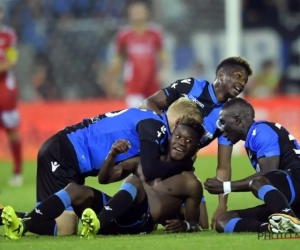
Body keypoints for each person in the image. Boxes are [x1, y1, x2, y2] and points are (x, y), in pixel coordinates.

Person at [1, 97, 202, 237]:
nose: (184, 142)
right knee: (63, 226)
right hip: (65, 153)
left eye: (190, 140)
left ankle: (17, 221)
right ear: (176, 125)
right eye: (182, 135)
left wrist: (185, 224)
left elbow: (197, 221)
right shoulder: (156, 128)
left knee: (59, 219)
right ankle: (15, 220)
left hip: (67, 153)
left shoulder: (150, 123)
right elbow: (143, 172)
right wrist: (185, 163)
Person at [140, 56, 253, 227]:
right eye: (238, 76)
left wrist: (222, 205)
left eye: (244, 80)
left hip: (182, 169)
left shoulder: (228, 116)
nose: (242, 83)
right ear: (221, 75)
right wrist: (164, 135)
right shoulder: (192, 86)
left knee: (201, 225)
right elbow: (148, 103)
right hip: (156, 159)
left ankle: (166, 210)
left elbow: (223, 166)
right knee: (148, 216)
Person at [204, 98, 300, 234]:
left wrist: (225, 186)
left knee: (259, 181)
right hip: (289, 198)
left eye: (223, 122)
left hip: (296, 180)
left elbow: (269, 172)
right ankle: (273, 228)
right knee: (224, 220)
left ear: (237, 120)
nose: (222, 129)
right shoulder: (252, 138)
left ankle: (288, 221)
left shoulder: (261, 131)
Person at [106, 1, 168, 107]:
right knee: (135, 114)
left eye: (140, 10)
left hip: (152, 82)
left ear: (147, 13)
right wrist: (112, 81)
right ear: (129, 14)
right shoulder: (124, 35)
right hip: (134, 83)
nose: (137, 13)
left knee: (153, 115)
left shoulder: (155, 33)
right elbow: (118, 59)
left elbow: (163, 55)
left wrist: (163, 71)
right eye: (134, 11)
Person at [0, 5, 23, 186]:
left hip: (4, 90)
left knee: (11, 130)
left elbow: (11, 60)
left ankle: (17, 170)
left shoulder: (8, 36)